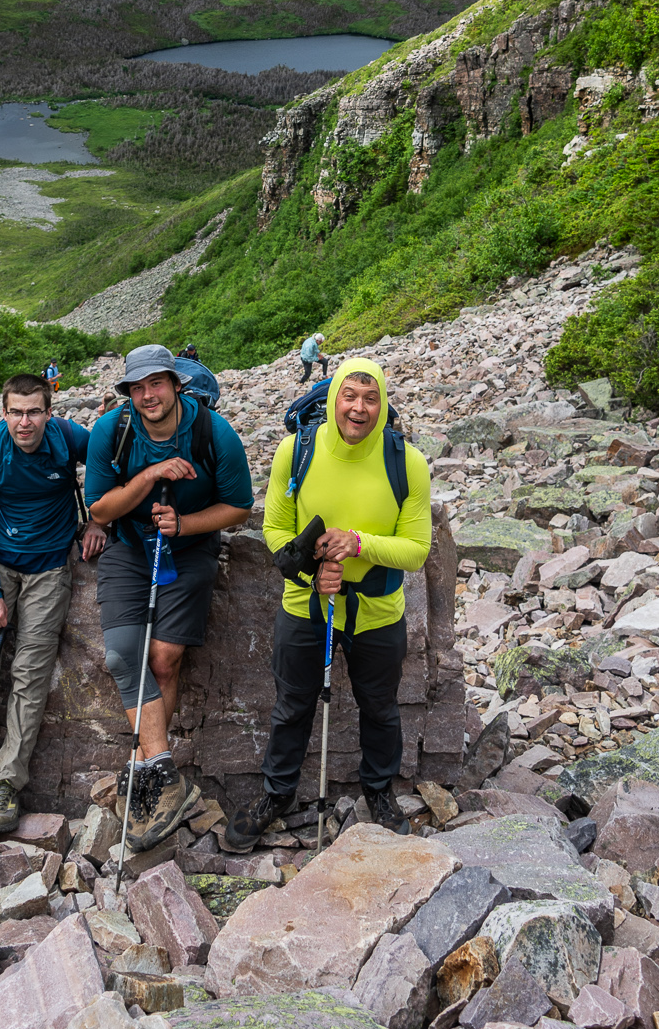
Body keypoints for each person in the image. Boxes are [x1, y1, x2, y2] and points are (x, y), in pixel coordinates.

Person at [223, 357, 432, 851]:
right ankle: (277, 794)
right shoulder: (296, 451)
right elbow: (274, 530)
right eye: (349, 396)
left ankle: (379, 791)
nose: (358, 409)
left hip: (378, 611)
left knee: (379, 707)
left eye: (370, 398)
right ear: (333, 396)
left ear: (383, 404)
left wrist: (357, 544)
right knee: (291, 705)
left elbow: (417, 550)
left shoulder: (408, 463)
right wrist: (312, 568)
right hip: (305, 604)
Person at [86, 343, 254, 853]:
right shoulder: (110, 432)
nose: (147, 395)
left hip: (189, 546)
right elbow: (99, 508)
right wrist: (150, 476)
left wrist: (183, 525)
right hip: (130, 548)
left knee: (164, 658)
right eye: (137, 388)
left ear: (176, 383)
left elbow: (239, 507)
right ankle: (164, 777)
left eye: (156, 384)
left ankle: (146, 770)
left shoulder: (214, 433)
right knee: (121, 654)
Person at [0, 373, 106, 837]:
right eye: (15, 412)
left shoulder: (67, 438)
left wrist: (98, 519)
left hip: (49, 567)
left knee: (31, 673)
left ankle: (6, 783)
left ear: (49, 410)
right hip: (0, 562)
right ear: (3, 413)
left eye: (34, 412)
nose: (25, 422)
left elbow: (108, 460)